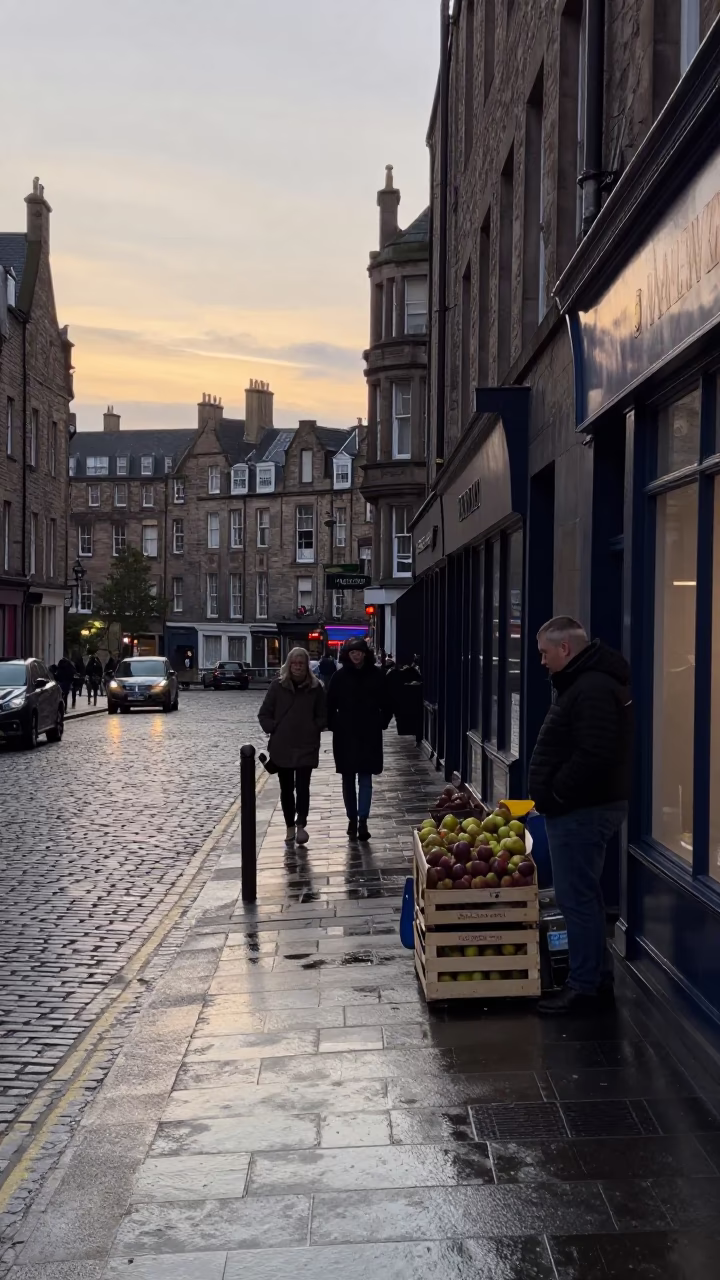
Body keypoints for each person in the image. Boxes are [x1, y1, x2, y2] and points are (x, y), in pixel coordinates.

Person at [528, 616, 633, 1016]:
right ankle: (596, 978)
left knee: (577, 899)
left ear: (565, 649)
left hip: (582, 809)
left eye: (544, 653)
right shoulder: (586, 683)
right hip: (585, 806)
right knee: (585, 896)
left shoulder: (589, 688)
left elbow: (595, 753)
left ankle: (584, 986)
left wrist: (556, 793)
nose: (542, 661)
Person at [258, 647, 327, 848]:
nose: (298, 667)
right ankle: (289, 826)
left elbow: (323, 714)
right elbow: (264, 713)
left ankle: (301, 824)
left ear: (307, 666)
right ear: (289, 665)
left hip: (306, 745)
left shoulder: (316, 688)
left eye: (301, 663)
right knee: (286, 788)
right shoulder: (277, 687)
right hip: (283, 745)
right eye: (294, 663)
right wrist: (273, 728)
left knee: (303, 787)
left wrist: (315, 727)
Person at [327, 637, 393, 842]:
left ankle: (363, 820)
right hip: (345, 734)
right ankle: (351, 819)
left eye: (359, 651)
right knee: (348, 779)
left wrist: (382, 722)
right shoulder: (338, 677)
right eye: (352, 652)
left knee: (366, 778)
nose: (355, 655)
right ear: (347, 654)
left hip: (369, 733)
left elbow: (388, 702)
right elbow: (329, 704)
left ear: (365, 653)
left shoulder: (377, 675)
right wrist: (334, 725)